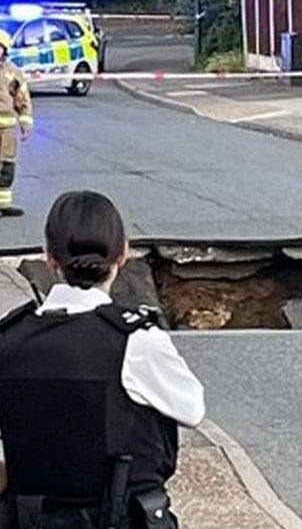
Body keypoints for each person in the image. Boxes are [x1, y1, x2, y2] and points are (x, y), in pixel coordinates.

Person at [0, 191, 205, 528]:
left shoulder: (8, 338)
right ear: (123, 253)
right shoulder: (136, 340)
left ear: (49, 256)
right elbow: (192, 409)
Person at [0, 30, 32, 218]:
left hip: (8, 130)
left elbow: (22, 98)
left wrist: (25, 122)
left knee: (6, 166)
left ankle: (3, 205)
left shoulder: (12, 73)